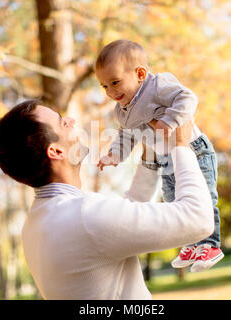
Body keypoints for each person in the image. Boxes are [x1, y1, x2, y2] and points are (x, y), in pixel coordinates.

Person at [0, 99, 214, 299]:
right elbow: (199, 219)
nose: (70, 119)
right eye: (62, 123)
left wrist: (149, 155)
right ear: (56, 152)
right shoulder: (84, 215)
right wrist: (181, 144)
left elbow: (121, 225)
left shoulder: (36, 223)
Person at [95, 39, 223, 272]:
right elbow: (126, 136)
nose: (111, 92)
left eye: (115, 82)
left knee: (204, 195)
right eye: (104, 87)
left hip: (194, 150)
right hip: (167, 159)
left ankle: (210, 245)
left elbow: (187, 98)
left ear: (140, 73)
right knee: (175, 200)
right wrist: (114, 155)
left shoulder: (157, 85)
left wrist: (169, 121)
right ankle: (193, 245)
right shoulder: (121, 111)